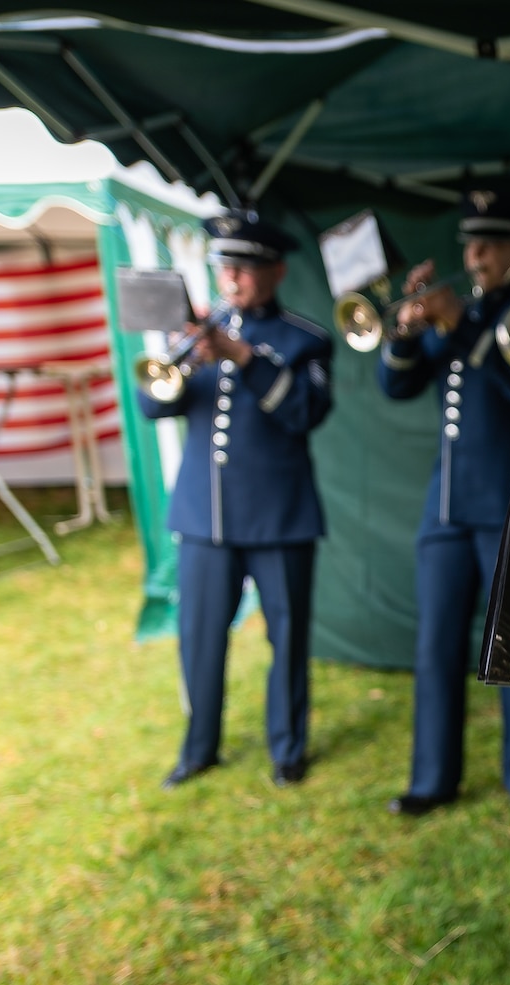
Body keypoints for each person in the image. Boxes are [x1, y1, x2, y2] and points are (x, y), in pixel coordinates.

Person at [141, 211, 333, 791]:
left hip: (279, 515)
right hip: (206, 516)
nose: (233, 278)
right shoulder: (200, 331)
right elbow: (154, 406)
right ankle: (199, 748)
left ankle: (288, 748)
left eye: (246, 268)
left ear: (276, 271)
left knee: (288, 636)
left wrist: (244, 358)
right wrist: (178, 353)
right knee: (199, 637)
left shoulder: (305, 339)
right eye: (226, 266)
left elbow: (306, 413)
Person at [377, 187, 510, 814]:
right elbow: (395, 384)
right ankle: (432, 779)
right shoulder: (461, 311)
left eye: (487, 245)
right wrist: (403, 330)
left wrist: (459, 324)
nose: (473, 256)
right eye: (470, 245)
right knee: (436, 645)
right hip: (444, 505)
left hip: (508, 498)